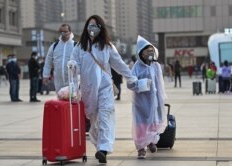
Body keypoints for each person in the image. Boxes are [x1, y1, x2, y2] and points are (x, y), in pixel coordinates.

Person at [68, 15, 137, 164]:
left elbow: (119, 64)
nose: (92, 28)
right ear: (86, 27)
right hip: (88, 90)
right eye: (90, 25)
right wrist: (72, 73)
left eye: (96, 25)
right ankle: (100, 145)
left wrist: (130, 77)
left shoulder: (107, 46)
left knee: (106, 116)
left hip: (105, 88)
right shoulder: (79, 47)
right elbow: (74, 66)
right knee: (94, 122)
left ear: (101, 29)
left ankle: (103, 149)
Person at [130, 35, 167, 159]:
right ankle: (141, 148)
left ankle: (151, 141)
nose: (150, 52)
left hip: (154, 100)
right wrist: (141, 83)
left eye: (152, 50)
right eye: (148, 51)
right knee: (141, 125)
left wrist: (161, 98)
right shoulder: (136, 66)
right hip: (141, 102)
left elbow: (160, 83)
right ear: (141, 52)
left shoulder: (155, 66)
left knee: (153, 122)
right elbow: (130, 83)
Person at [43, 24, 75, 93]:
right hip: (58, 82)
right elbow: (48, 62)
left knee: (72, 102)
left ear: (70, 32)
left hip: (73, 81)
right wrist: (46, 76)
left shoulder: (76, 46)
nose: (63, 33)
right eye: (61, 31)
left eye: (65, 31)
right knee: (60, 102)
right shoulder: (54, 46)